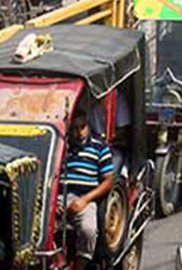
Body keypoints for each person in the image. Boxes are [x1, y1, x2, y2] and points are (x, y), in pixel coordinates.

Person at [64, 110, 115, 270]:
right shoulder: (62, 147)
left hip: (85, 199)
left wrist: (84, 200)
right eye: (74, 128)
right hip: (59, 197)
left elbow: (108, 182)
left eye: (82, 127)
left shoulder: (99, 147)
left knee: (89, 230)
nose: (79, 133)